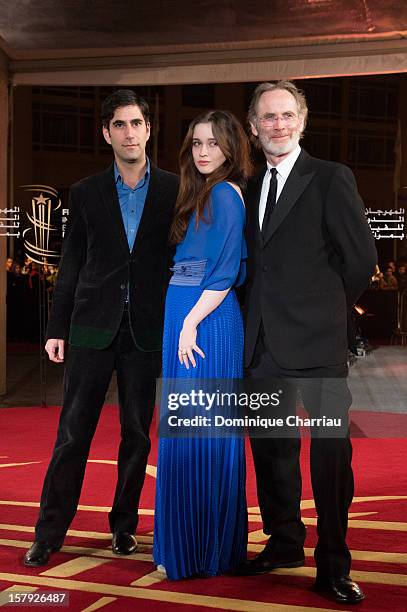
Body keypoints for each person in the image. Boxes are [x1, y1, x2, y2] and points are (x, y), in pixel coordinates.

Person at [24, 90, 179, 567]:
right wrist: (57, 326)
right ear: (106, 133)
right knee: (73, 433)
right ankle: (49, 532)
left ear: (148, 129)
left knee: (136, 434)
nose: (129, 132)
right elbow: (71, 264)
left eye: (136, 123)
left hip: (147, 331)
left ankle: (124, 527)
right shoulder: (86, 191)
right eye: (119, 125)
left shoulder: (175, 189)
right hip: (90, 328)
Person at [240, 81, 377, 604]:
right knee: (272, 453)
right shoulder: (249, 186)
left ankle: (334, 565)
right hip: (263, 346)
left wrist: (326, 310)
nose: (279, 124)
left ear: (302, 120)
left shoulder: (329, 177)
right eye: (268, 117)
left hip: (318, 346)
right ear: (254, 128)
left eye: (287, 114)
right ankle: (283, 542)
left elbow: (360, 259)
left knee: (329, 459)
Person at [153, 110, 251, 580]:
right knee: (187, 432)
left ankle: (203, 550)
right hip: (186, 316)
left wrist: (189, 323)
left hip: (205, 322)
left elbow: (226, 272)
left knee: (202, 433)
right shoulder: (200, 195)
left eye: (213, 142)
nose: (204, 151)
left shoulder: (227, 196)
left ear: (231, 147)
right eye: (196, 143)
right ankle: (189, 546)